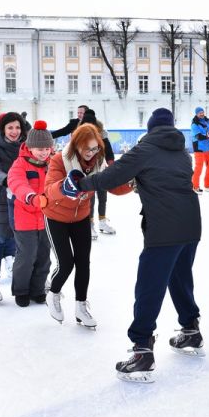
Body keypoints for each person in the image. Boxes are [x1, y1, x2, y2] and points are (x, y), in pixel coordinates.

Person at [65, 108, 203, 383]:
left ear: (151, 128)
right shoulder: (181, 151)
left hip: (164, 226)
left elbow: (111, 176)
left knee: (149, 286)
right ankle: (191, 330)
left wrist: (82, 183)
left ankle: (142, 351)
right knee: (179, 278)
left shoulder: (146, 149)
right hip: (190, 223)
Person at [43, 123, 133, 327]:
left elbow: (113, 186)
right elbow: (48, 190)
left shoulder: (98, 162)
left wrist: (132, 183)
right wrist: (64, 186)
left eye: (95, 148)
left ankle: (80, 307)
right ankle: (53, 293)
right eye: (87, 149)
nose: (91, 153)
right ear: (77, 146)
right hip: (56, 217)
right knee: (66, 264)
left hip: (81, 217)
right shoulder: (61, 160)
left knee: (83, 262)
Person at [7, 121, 54, 307]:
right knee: (26, 256)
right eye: (39, 149)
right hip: (25, 217)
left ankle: (38, 289)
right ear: (30, 147)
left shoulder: (53, 163)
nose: (43, 152)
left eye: (47, 149)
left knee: (44, 256)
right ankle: (21, 291)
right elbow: (17, 183)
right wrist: (31, 197)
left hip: (47, 218)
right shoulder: (20, 164)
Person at [0, 112, 25, 298]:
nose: (14, 131)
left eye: (17, 127)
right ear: (3, 129)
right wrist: (9, 182)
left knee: (25, 240)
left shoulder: (27, 144)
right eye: (10, 128)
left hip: (23, 197)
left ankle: (32, 279)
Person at [79, 109, 116, 238]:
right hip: (86, 171)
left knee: (102, 197)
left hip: (100, 169)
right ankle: (90, 224)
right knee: (90, 198)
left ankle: (102, 221)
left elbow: (109, 152)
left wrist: (111, 165)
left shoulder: (102, 134)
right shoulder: (79, 135)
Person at [190, 106, 209, 193]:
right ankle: (195, 186)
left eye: (202, 112)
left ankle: (208, 185)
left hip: (208, 148)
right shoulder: (194, 124)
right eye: (199, 113)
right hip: (199, 148)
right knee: (199, 167)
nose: (201, 114)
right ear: (196, 114)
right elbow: (199, 136)